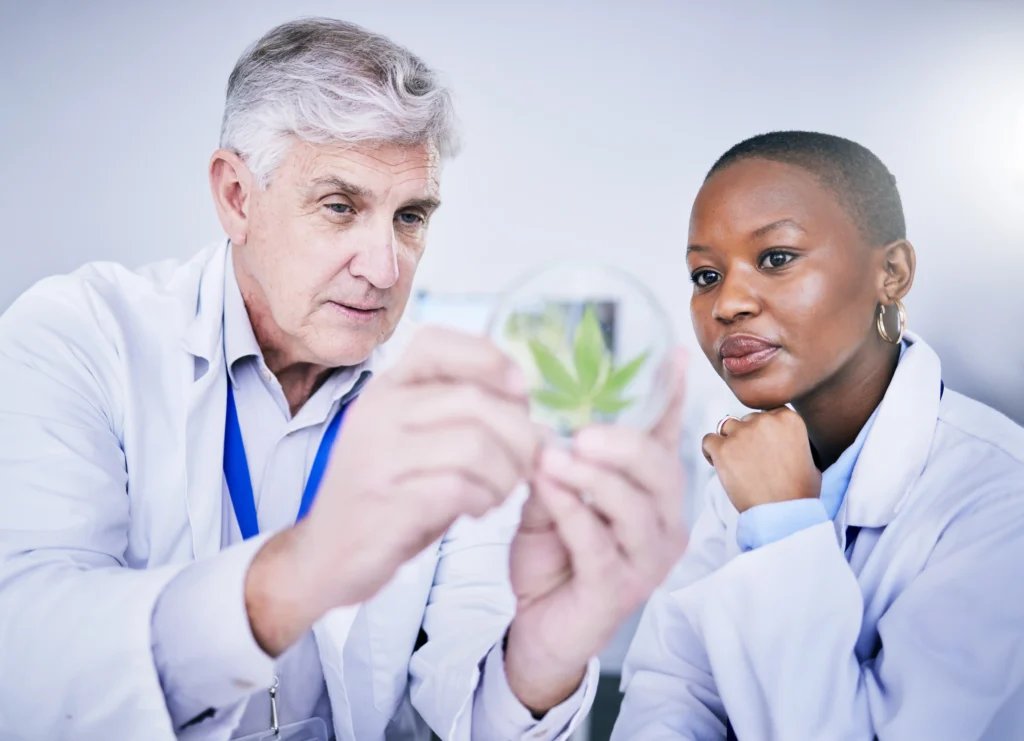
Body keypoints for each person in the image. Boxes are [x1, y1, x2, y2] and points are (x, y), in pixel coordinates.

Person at [0, 18, 690, 741]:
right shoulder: (80, 339)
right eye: (340, 206)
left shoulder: (453, 399)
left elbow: (464, 717)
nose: (385, 268)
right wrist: (300, 571)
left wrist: (541, 659)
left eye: (411, 216)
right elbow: (25, 660)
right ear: (237, 195)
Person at [612, 131, 1024, 740]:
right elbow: (671, 691)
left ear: (892, 273)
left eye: (776, 258)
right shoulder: (747, 461)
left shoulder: (999, 492)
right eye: (705, 274)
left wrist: (784, 525)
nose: (728, 303)